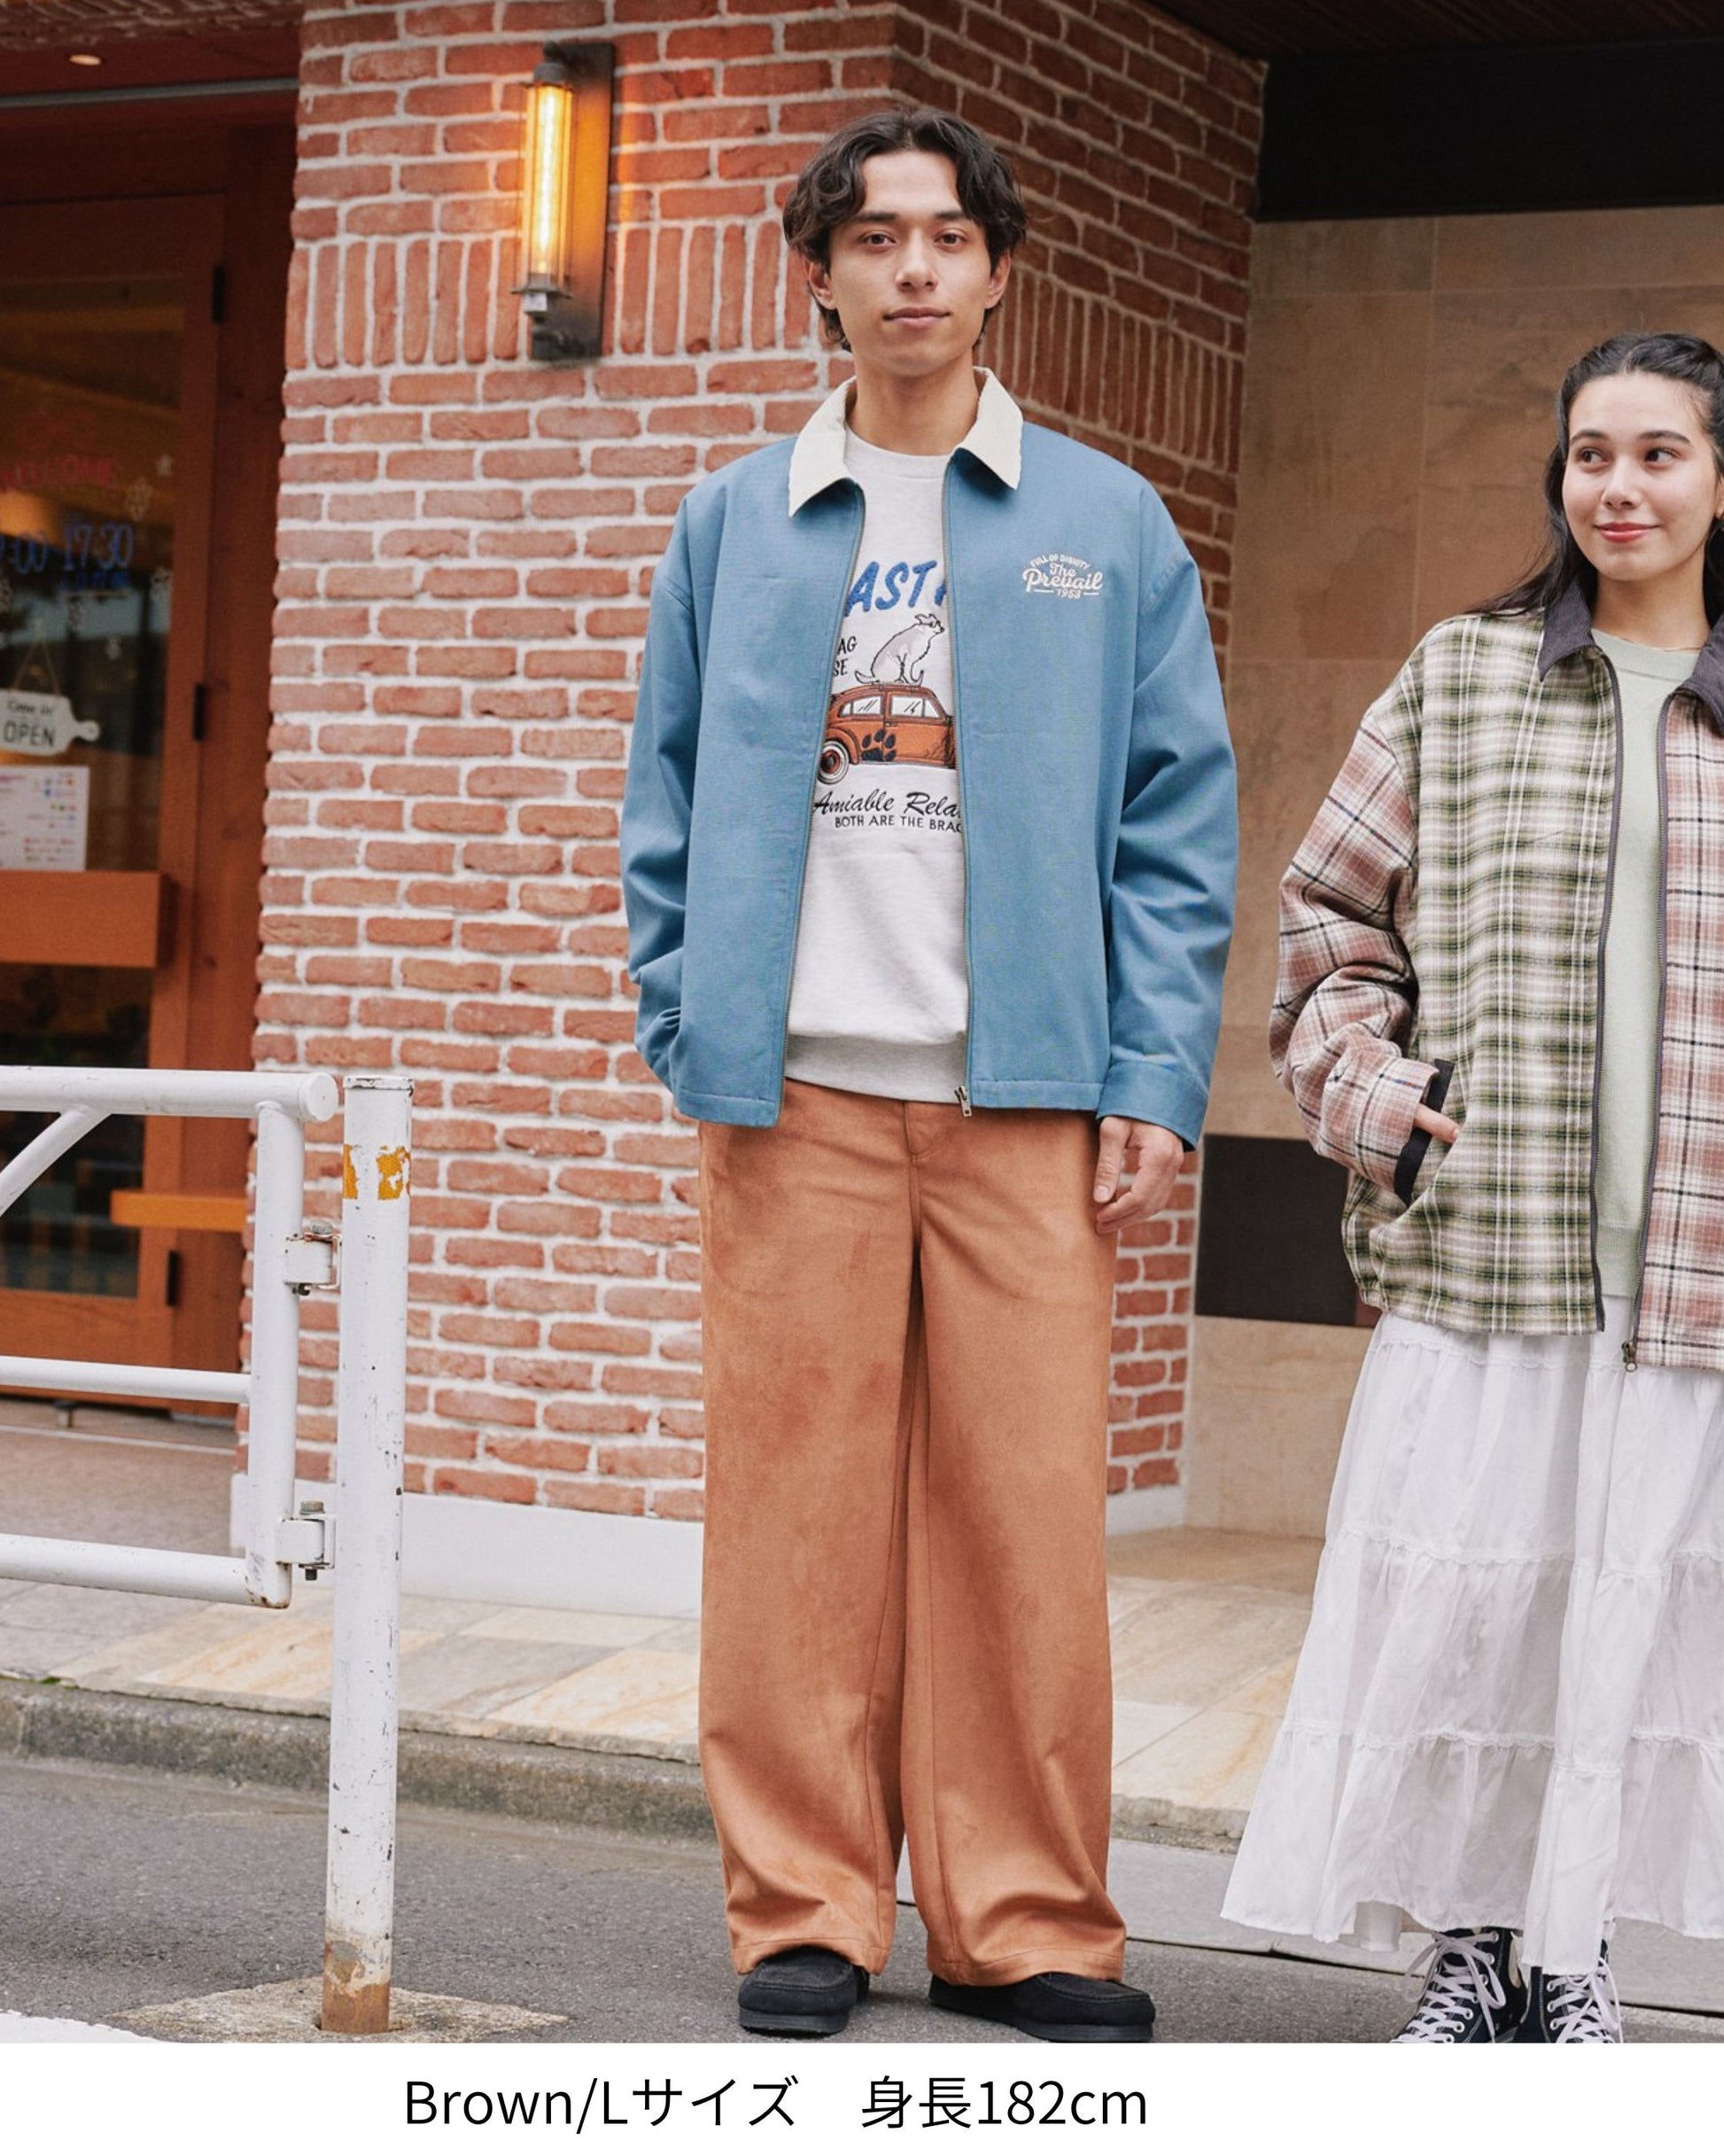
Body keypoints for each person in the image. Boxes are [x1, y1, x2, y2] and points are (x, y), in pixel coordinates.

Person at [620, 107, 1236, 2043]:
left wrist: (1151, 1073)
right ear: (818, 272)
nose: (910, 267)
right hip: (794, 1093)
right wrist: (685, 1015)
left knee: (1021, 1523)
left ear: (996, 272)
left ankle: (1023, 1920)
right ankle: (802, 1906)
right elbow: (664, 796)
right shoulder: (734, 518)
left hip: (1025, 1101)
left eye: (947, 236)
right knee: (791, 1522)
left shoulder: (1104, 522)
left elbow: (1175, 822)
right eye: (873, 235)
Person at [1223, 331, 1724, 2043]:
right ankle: (1467, 1941)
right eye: (1589, 454)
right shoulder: (1463, 674)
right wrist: (1374, 1092)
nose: (1617, 487)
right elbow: (1327, 917)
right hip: (1489, 1247)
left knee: (1618, 1623)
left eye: (1657, 453)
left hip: (1693, 1272)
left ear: (1718, 479)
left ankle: (1574, 1954)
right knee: (1472, 1618)